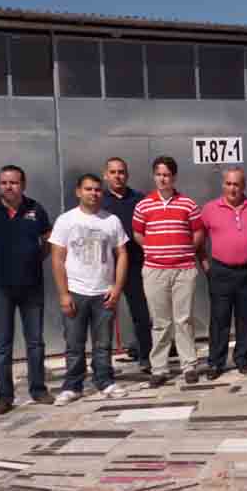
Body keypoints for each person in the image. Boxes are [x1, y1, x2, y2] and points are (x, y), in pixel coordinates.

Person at [0, 165, 53, 414]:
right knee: (2, 345)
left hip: (31, 286)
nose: (9, 187)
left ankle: (38, 389)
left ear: (23, 184)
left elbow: (48, 239)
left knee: (35, 343)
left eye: (14, 182)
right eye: (4, 183)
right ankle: (4, 397)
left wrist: (33, 260)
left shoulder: (35, 209)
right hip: (0, 287)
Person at [49, 173, 129, 404]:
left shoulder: (111, 221)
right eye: (88, 189)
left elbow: (122, 254)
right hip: (76, 291)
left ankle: (105, 381)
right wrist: (63, 293)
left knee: (103, 344)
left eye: (97, 190)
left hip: (103, 292)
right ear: (78, 192)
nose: (93, 193)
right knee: (74, 344)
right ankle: (73, 386)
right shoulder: (66, 220)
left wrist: (117, 288)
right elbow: (57, 258)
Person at [133, 156, 204, 387]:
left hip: (184, 270)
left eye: (167, 175)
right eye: (159, 174)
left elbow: (198, 234)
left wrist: (183, 251)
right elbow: (138, 234)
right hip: (155, 271)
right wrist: (155, 250)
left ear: (174, 177)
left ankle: (189, 365)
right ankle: (160, 368)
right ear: (154, 176)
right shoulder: (144, 205)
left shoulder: (188, 204)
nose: (163, 178)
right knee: (160, 322)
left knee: (184, 320)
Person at [200, 167, 247, 379]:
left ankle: (242, 358)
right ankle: (216, 362)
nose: (232, 188)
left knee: (246, 318)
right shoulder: (210, 209)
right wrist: (206, 265)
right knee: (219, 319)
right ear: (223, 185)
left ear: (243, 186)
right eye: (228, 184)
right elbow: (199, 240)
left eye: (236, 184)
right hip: (220, 271)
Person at [102, 157, 152, 373]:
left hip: (134, 263)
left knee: (140, 313)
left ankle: (145, 356)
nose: (117, 176)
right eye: (112, 172)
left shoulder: (139, 199)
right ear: (106, 175)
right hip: (105, 267)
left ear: (127, 174)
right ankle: (102, 363)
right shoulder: (99, 200)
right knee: (104, 315)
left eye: (121, 172)